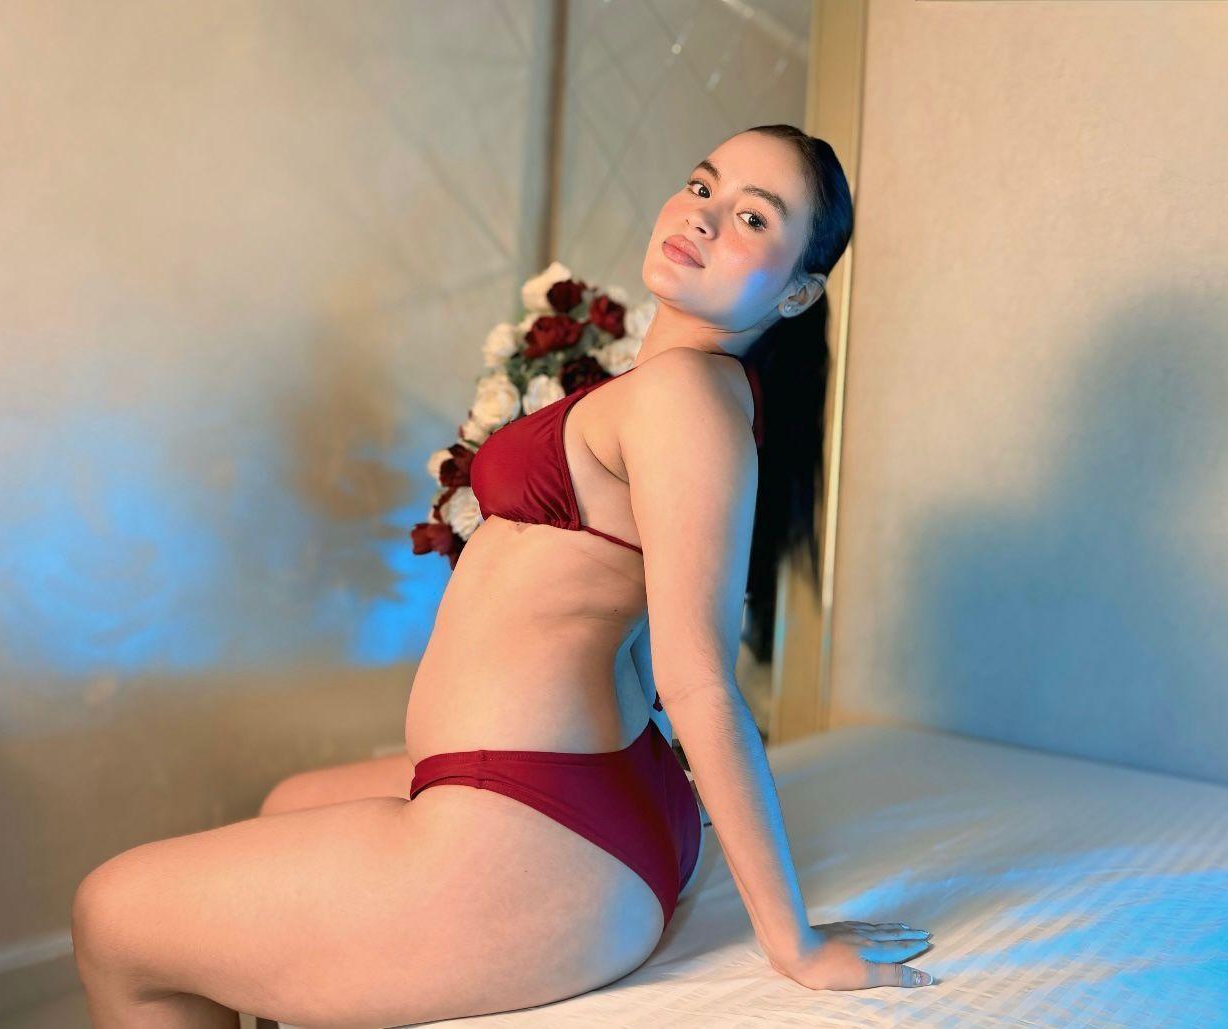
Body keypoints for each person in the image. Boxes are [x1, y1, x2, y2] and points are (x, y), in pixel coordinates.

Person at [69, 125, 935, 1029]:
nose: (704, 217)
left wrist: (794, 941)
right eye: (701, 186)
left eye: (753, 217)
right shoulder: (676, 387)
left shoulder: (686, 397)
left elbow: (700, 680)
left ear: (798, 291)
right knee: (284, 805)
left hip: (541, 823)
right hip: (586, 784)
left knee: (110, 916)